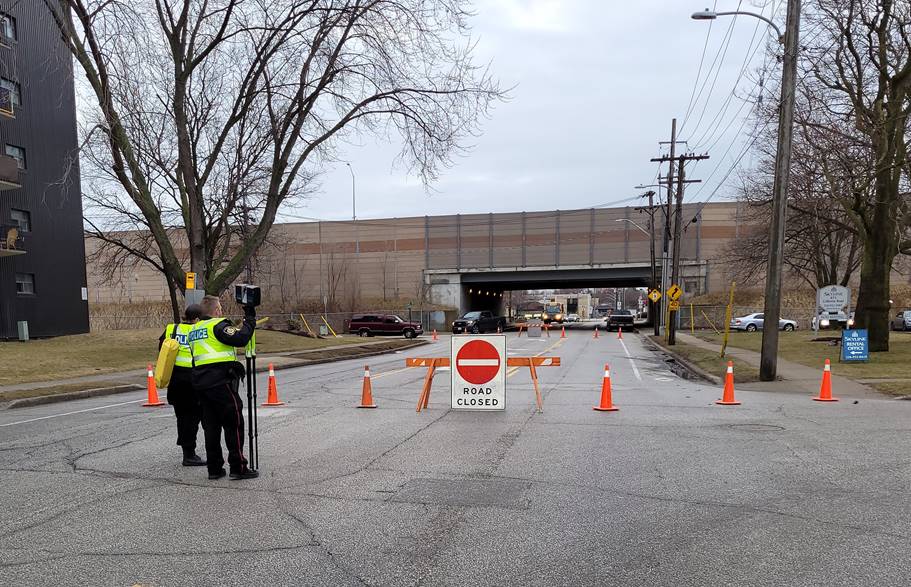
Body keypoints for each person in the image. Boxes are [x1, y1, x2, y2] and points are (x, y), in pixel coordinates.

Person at [188, 295, 258, 480]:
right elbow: (241, 338)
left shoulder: (194, 330)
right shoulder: (218, 325)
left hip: (201, 384)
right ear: (216, 310)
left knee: (211, 428)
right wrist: (250, 319)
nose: (221, 310)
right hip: (220, 382)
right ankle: (238, 467)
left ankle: (214, 469)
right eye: (220, 307)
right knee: (233, 423)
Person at [159, 304, 206, 466]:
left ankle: (187, 452)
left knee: (182, 418)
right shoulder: (198, 331)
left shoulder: (172, 329)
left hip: (176, 381)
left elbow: (162, 350)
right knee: (193, 419)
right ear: (197, 319)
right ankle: (190, 455)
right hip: (193, 380)